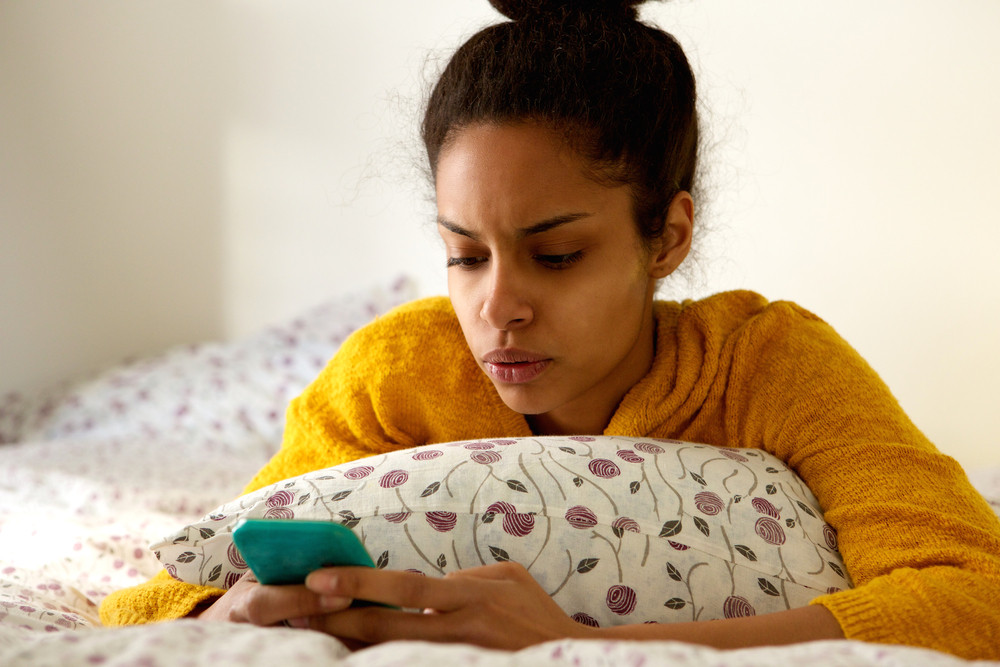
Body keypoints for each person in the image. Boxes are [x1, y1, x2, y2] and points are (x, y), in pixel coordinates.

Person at [100, 0, 1000, 658]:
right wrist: (224, 619)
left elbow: (972, 594)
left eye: (558, 255)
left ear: (668, 235)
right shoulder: (396, 372)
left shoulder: (767, 364)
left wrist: (586, 645)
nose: (499, 306)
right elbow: (159, 595)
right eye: (465, 255)